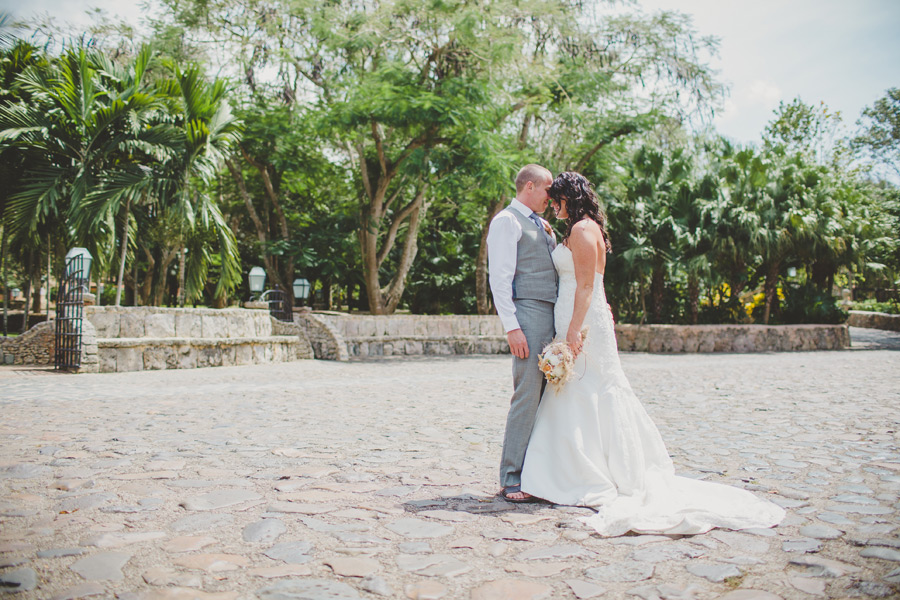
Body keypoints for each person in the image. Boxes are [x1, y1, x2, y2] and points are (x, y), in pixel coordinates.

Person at [520, 171, 785, 535]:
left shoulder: (582, 231)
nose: (552, 206)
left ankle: (587, 472)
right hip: (580, 315)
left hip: (581, 321)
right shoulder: (583, 229)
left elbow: (585, 286)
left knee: (589, 389)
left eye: (556, 200)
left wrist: (571, 334)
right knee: (580, 391)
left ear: (570, 198)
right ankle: (573, 467)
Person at [487, 164, 558, 503]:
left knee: (549, 399)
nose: (552, 196)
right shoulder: (506, 222)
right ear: (529, 186)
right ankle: (511, 475)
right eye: (547, 189)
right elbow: (499, 279)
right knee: (527, 395)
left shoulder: (540, 224)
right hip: (527, 315)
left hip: (552, 315)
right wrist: (512, 327)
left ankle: (537, 473)